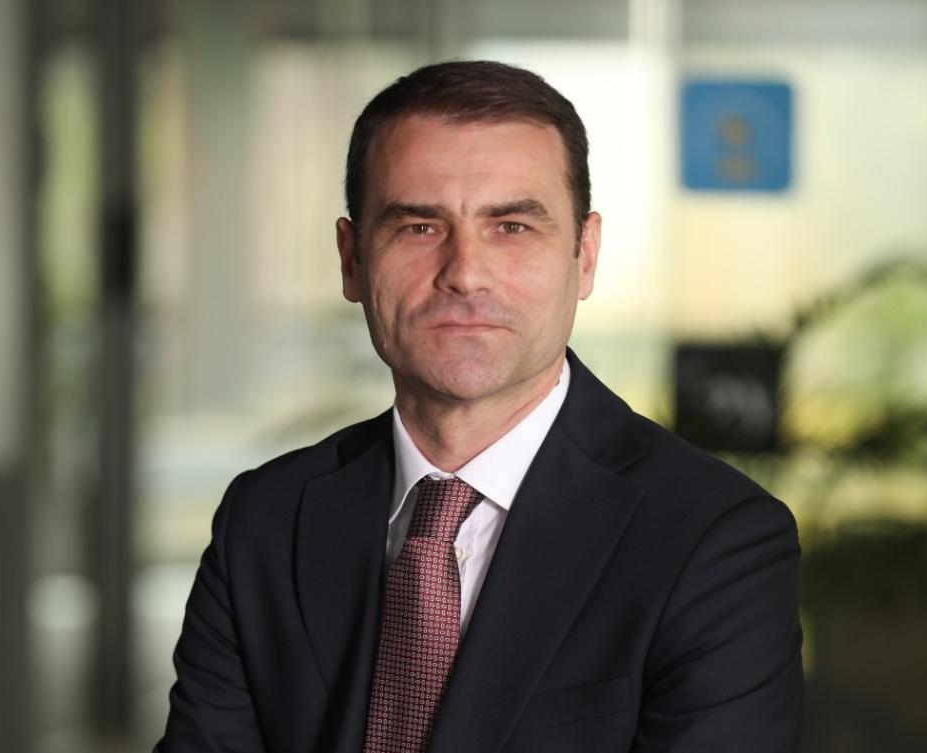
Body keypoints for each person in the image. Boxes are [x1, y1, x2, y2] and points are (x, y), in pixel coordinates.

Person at [155, 60, 802, 753]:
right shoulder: (263, 521)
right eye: (418, 227)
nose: (464, 273)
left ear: (584, 256)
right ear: (351, 260)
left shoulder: (713, 541)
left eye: (511, 227)